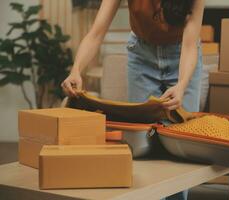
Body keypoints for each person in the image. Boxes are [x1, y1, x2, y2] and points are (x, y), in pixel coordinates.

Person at [62, 0, 205, 199]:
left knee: (183, 146)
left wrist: (182, 85)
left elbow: (190, 46)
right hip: (142, 57)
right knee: (142, 144)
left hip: (182, 56)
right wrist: (76, 69)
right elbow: (96, 33)